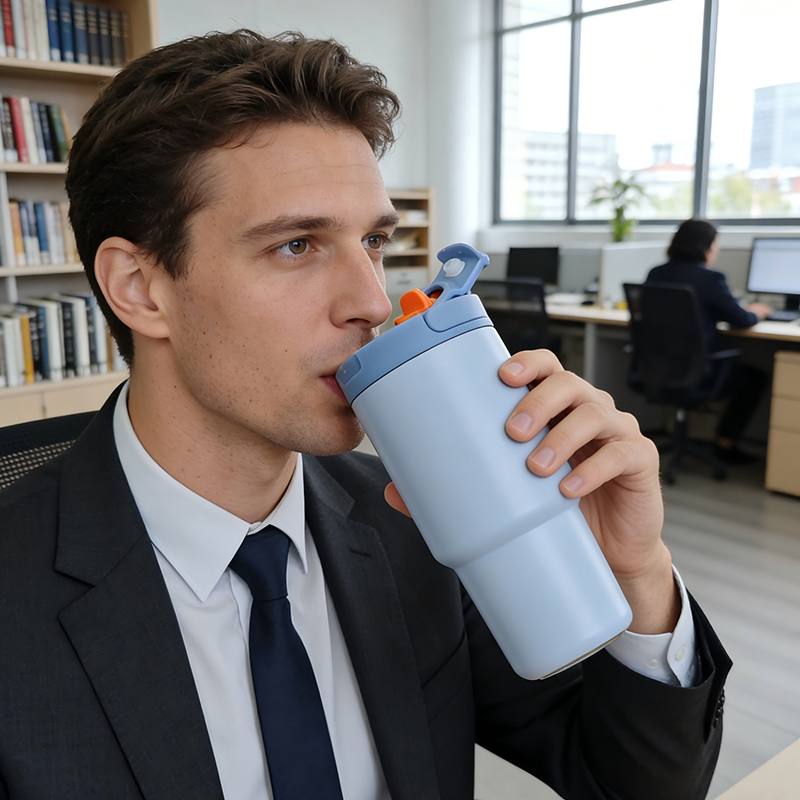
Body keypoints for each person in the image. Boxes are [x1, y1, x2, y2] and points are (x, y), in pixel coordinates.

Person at [0, 31, 730, 800]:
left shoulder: (418, 522)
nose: (372, 303)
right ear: (140, 288)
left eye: (374, 241)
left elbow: (639, 785)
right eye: (296, 245)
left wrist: (638, 575)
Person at [647, 219, 771, 465]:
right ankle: (725, 443)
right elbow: (742, 319)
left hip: (657, 369)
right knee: (755, 378)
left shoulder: (656, 273)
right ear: (706, 247)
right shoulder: (711, 279)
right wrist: (760, 310)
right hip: (700, 373)